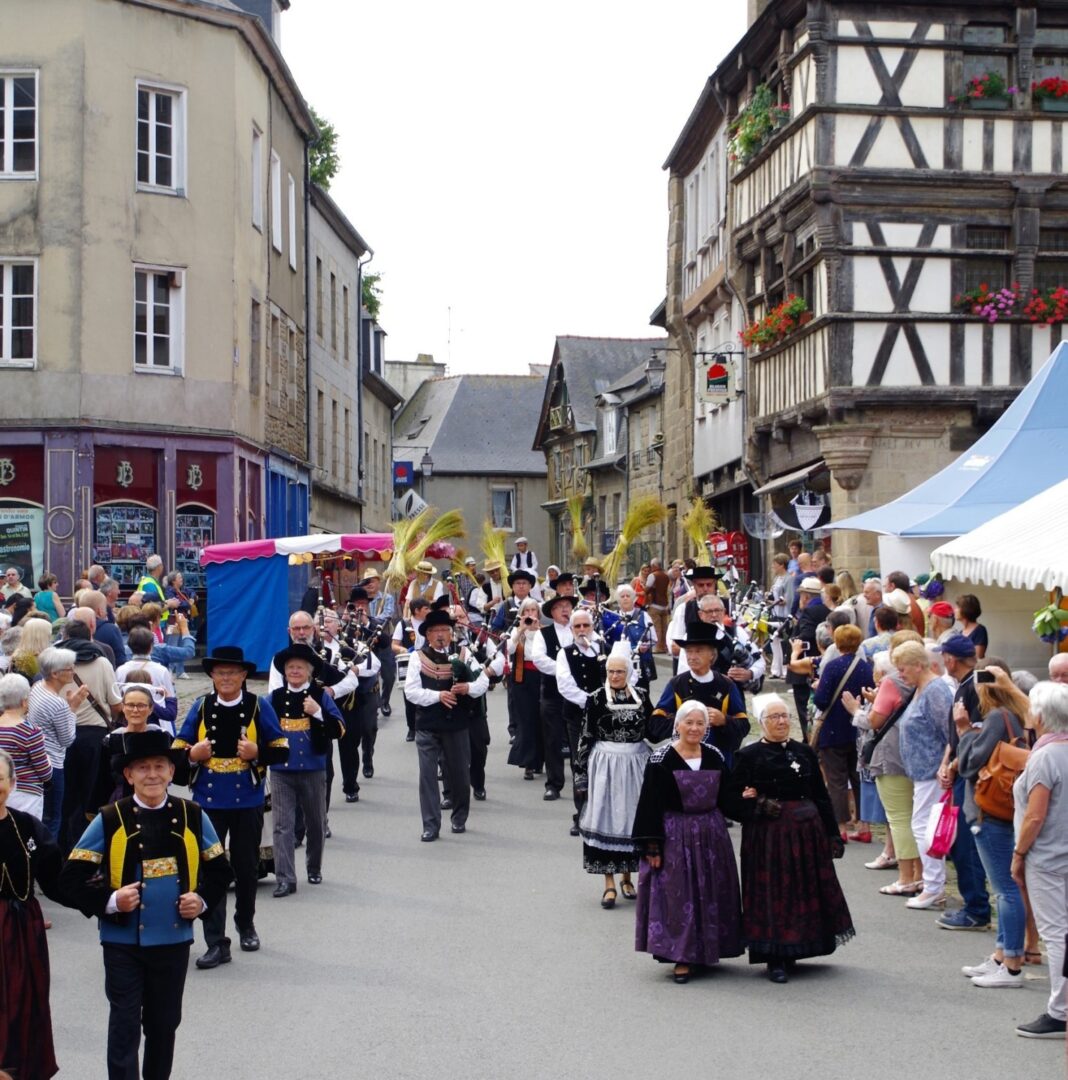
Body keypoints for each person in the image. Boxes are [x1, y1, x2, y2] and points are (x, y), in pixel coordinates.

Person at [60, 729, 233, 1080]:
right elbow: (71, 877)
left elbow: (220, 870)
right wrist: (110, 900)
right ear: (128, 775)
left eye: (159, 766)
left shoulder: (193, 815)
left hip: (172, 941)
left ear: (172, 773)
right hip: (122, 941)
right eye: (142, 768)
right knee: (124, 1023)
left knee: (164, 1024)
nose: (152, 774)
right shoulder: (109, 818)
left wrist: (199, 902)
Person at [727, 693, 854, 982]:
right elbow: (730, 799)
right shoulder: (748, 757)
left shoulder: (804, 751)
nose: (782, 721)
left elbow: (820, 794)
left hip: (806, 834)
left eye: (785, 716)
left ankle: (799, 947)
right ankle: (775, 957)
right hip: (767, 837)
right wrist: (757, 805)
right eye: (774, 717)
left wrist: (831, 833)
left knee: (802, 890)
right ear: (762, 723)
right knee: (773, 893)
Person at [173, 645, 287, 965]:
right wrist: (191, 756)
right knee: (211, 871)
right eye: (220, 672)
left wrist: (257, 753)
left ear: (244, 676)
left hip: (247, 798)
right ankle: (216, 941)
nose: (226, 678)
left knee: (247, 868)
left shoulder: (258, 706)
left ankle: (246, 922)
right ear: (211, 675)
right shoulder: (199, 707)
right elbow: (176, 751)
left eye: (232, 673)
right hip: (208, 799)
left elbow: (281, 749)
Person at [631, 700, 742, 984]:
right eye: (688, 722)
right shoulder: (660, 759)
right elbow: (649, 805)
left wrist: (748, 801)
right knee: (679, 895)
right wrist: (652, 846)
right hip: (675, 834)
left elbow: (727, 796)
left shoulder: (715, 755)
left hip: (711, 834)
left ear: (706, 727)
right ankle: (681, 956)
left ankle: (706, 949)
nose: (694, 728)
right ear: (677, 725)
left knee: (711, 891)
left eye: (700, 723)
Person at [956, 665, 1032, 989]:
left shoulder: (995, 719)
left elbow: (969, 764)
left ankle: (1012, 963)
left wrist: (964, 732)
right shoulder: (1015, 715)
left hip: (990, 812)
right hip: (1004, 810)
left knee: (1005, 889)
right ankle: (1002, 954)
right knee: (1005, 888)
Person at [0, 746, 68, 1079]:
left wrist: (103, 900)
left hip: (21, 930)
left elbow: (56, 880)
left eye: (0, 778)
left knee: (22, 1004)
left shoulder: (27, 827)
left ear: (12, 784)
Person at [1008, 680, 1068, 1038]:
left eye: (1032, 708)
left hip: (1047, 856)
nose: (1028, 713)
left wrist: (1019, 854)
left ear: (1043, 717)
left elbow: (1035, 815)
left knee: (1056, 933)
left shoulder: (1046, 756)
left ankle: (1060, 1009)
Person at [574, 649, 655, 909]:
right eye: (611, 671)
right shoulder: (597, 699)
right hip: (606, 764)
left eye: (620, 671)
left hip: (636, 763)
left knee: (632, 819)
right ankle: (608, 883)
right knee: (607, 816)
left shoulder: (641, 696)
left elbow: (653, 730)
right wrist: (581, 775)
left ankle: (627, 879)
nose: (615, 676)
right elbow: (586, 735)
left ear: (628, 672)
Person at [403, 608, 488, 842]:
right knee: (427, 776)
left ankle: (459, 817)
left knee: (460, 772)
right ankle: (431, 824)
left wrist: (467, 688)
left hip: (457, 722)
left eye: (445, 630)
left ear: (451, 633)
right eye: (435, 631)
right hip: (428, 723)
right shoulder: (416, 657)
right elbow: (411, 691)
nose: (441, 634)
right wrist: (437, 696)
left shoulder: (464, 653)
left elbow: (482, 681)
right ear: (428, 635)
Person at [269, 643, 345, 893]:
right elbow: (262, 729)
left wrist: (319, 712)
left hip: (313, 769)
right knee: (282, 826)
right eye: (290, 667)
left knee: (315, 822)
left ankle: (314, 868)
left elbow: (340, 729)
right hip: (281, 771)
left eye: (299, 667)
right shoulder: (274, 699)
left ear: (309, 671)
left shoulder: (320, 696)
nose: (294, 671)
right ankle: (285, 878)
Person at [893, 640, 955, 909]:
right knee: (924, 828)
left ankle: (933, 887)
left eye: (903, 668)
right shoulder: (921, 689)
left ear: (919, 666)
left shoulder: (935, 691)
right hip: (923, 771)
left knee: (925, 829)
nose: (900, 673)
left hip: (932, 771)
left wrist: (945, 765)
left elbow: (951, 732)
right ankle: (932, 885)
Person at [55, 619, 120, 851]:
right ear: (90, 634)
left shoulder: (54, 663)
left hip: (61, 735)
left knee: (65, 795)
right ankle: (90, 847)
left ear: (65, 635)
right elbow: (115, 703)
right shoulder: (102, 662)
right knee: (91, 795)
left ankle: (63, 848)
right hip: (94, 736)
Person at [652, 621, 750, 762]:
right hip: (683, 759)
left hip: (720, 759)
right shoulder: (677, 684)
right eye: (689, 651)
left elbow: (744, 725)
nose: (692, 656)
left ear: (711, 654)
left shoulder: (726, 684)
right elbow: (656, 723)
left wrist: (724, 720)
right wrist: (683, 721)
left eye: (698, 651)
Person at [810, 625, 873, 843]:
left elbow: (821, 700)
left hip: (833, 729)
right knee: (858, 778)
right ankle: (864, 825)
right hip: (858, 729)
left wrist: (816, 688)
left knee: (836, 779)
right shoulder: (866, 667)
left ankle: (841, 827)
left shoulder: (833, 667)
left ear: (837, 643)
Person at [556, 607, 608, 836]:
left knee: (606, 764)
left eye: (585, 625)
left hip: (606, 717)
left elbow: (624, 675)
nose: (581, 630)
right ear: (571, 629)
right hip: (578, 716)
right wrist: (590, 703)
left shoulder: (604, 649)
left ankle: (604, 815)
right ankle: (582, 815)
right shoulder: (565, 653)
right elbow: (565, 684)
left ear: (592, 627)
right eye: (577, 626)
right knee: (581, 764)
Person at [28, 647, 83, 841]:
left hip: (38, 758)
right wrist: (73, 708)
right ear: (55, 673)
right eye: (69, 668)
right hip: (53, 763)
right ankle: (47, 864)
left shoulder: (37, 687)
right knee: (53, 818)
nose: (73, 671)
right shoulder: (56, 703)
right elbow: (67, 739)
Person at [530, 592, 579, 802]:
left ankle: (581, 781)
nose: (565, 610)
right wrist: (564, 670)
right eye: (560, 607)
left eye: (568, 606)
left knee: (578, 740)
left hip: (577, 695)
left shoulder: (581, 629)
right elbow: (539, 659)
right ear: (552, 612)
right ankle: (554, 784)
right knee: (552, 740)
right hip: (552, 694)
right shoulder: (544, 634)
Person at [0, 673, 52, 819]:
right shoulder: (31, 732)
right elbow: (45, 773)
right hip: (26, 795)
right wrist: (48, 759)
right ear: (24, 701)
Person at [505, 597, 545, 781]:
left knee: (541, 719)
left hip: (541, 678)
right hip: (522, 678)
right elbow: (510, 650)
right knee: (526, 720)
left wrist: (537, 631)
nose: (530, 614)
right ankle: (528, 763)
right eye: (526, 611)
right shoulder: (516, 630)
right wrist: (521, 629)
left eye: (533, 611)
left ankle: (539, 761)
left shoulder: (543, 632)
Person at [785, 576, 828, 739]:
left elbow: (807, 635)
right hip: (816, 665)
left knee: (805, 712)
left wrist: (795, 643)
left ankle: (809, 742)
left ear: (806, 596)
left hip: (804, 668)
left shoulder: (810, 611)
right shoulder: (826, 609)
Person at [601, 584, 656, 692]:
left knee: (641, 692)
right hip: (618, 665)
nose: (625, 598)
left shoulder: (643, 615)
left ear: (634, 598)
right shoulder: (612, 617)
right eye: (622, 596)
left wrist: (646, 646)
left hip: (639, 663)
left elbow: (653, 638)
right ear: (618, 600)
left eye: (628, 596)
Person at [393, 596, 430, 742]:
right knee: (410, 696)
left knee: (428, 692)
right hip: (410, 662)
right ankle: (412, 728)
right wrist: (404, 650)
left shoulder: (430, 623)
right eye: (426, 608)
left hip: (428, 661)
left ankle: (426, 725)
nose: (429, 611)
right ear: (417, 610)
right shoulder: (403, 624)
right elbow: (394, 645)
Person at [9, 614, 52, 682]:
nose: (50, 638)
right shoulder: (26, 659)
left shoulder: (21, 653)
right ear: (40, 637)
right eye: (48, 635)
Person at [644, 559, 672, 654]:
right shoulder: (666, 575)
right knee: (665, 627)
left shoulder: (653, 575)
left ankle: (658, 647)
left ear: (654, 566)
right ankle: (664, 646)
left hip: (655, 604)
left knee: (657, 627)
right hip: (664, 604)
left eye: (652, 566)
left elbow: (647, 589)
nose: (651, 568)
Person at [955, 594, 988, 659]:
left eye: (958, 607)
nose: (955, 610)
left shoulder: (980, 630)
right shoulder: (960, 633)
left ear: (966, 609)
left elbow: (978, 656)